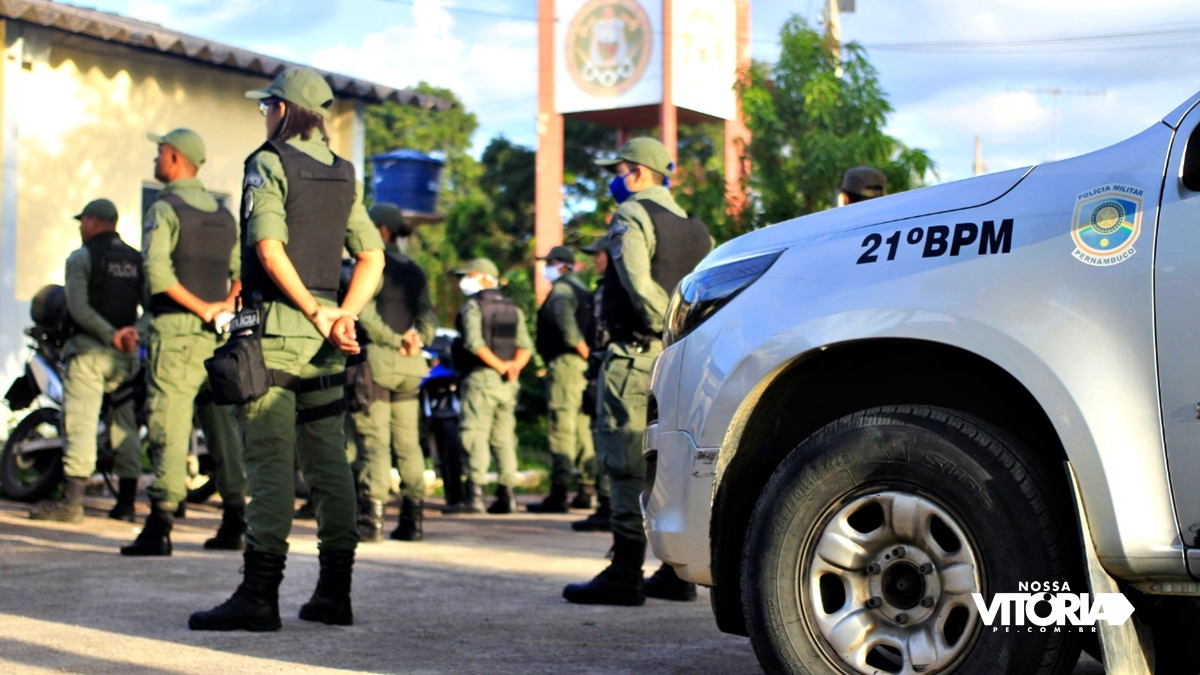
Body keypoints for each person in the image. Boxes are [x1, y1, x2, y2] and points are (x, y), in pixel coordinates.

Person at [189, 67, 384, 632]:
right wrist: (342, 313)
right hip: (324, 341)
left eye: (265, 106)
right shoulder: (343, 173)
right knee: (328, 463)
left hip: (279, 329)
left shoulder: (268, 162)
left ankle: (258, 597)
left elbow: (270, 250)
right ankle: (334, 594)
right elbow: (371, 257)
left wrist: (316, 311)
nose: (264, 115)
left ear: (283, 110)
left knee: (269, 460)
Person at [562, 138, 711, 606]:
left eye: (620, 169)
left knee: (626, 461)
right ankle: (676, 572)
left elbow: (638, 282)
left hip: (637, 357)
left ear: (639, 173)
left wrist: (666, 326)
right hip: (688, 357)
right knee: (676, 462)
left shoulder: (631, 217)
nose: (615, 179)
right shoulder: (697, 227)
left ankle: (625, 572)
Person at [120, 128, 246, 556]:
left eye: (160, 153)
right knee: (223, 430)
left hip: (175, 336)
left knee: (169, 428)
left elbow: (157, 274)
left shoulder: (165, 207)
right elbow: (239, 270)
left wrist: (199, 307)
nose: (157, 160)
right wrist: (222, 305)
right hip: (217, 338)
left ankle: (159, 526)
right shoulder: (225, 214)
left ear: (174, 159)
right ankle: (235, 519)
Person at [29, 199, 143, 523]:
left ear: (94, 222)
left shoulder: (82, 257)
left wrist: (110, 335)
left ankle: (71, 503)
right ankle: (127, 504)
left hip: (91, 354)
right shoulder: (137, 259)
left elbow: (77, 308)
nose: (80, 227)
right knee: (125, 427)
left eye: (83, 221)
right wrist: (131, 334)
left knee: (80, 424)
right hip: (126, 358)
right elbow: (150, 308)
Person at [351, 202, 436, 542]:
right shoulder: (415, 270)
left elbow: (365, 312)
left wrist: (393, 339)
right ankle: (413, 521)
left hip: (380, 363)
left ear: (381, 231)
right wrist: (418, 339)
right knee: (409, 444)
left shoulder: (372, 265)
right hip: (411, 366)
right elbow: (427, 314)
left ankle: (371, 523)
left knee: (375, 442)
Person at [442, 258, 531, 515]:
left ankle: (476, 495)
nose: (464, 280)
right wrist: (513, 366)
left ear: (481, 277)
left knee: (475, 434)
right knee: (504, 438)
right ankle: (508, 495)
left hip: (481, 379)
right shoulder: (513, 308)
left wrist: (499, 366)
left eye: (468, 274)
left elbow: (474, 344)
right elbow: (525, 346)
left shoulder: (474, 306)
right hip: (508, 383)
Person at [527, 245, 598, 514]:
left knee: (562, 428)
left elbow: (568, 329)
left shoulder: (562, 292)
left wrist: (582, 350)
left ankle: (558, 493)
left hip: (567, 365)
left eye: (551, 262)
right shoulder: (583, 290)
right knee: (582, 430)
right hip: (583, 368)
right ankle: (587, 489)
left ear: (563, 264)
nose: (547, 267)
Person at [570, 235, 612, 531]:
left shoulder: (611, 290)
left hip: (609, 369)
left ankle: (608, 505)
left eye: (597, 255)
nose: (593, 261)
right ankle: (606, 502)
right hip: (602, 369)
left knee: (608, 435)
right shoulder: (603, 289)